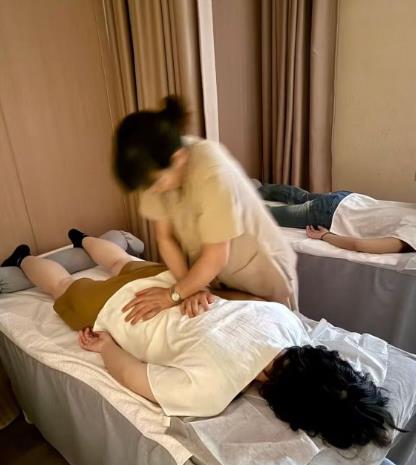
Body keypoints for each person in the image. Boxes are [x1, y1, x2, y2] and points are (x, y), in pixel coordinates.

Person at [1, 233, 404, 450]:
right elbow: (133, 375)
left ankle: (83, 238)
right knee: (61, 286)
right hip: (118, 309)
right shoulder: (211, 390)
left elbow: (235, 300)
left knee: (122, 262)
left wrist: (196, 291)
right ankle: (21, 261)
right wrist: (106, 347)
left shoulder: (285, 321)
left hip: (168, 284)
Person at [112, 96, 298, 321]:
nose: (154, 191)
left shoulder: (212, 170)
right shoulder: (150, 172)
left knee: (275, 325)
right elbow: (165, 237)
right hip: (212, 275)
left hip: (257, 267)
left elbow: (216, 255)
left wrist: (173, 294)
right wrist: (189, 289)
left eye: (158, 183)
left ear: (178, 158)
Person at [258, 183, 416, 254]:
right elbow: (358, 245)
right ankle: (245, 200)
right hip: (330, 212)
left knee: (301, 196)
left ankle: (259, 188)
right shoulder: (412, 234)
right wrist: (325, 235)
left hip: (348, 198)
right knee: (265, 215)